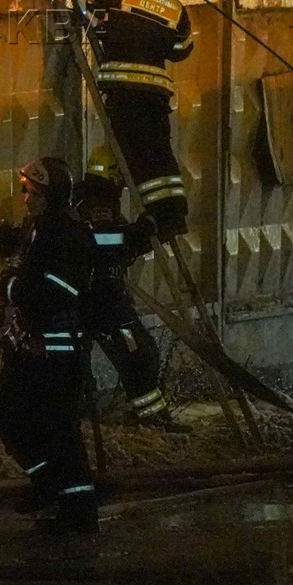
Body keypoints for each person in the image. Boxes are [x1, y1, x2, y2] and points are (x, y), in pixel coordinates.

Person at [0, 157, 101, 537]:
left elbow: (59, 292)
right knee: (7, 413)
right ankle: (47, 485)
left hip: (58, 353)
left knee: (59, 431)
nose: (26, 198)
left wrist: (10, 287)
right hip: (29, 348)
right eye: (25, 190)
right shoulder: (38, 229)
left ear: (51, 195)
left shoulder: (68, 235)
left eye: (32, 192)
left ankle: (79, 511)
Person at [84, 0, 194, 240]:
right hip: (156, 96)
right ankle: (172, 215)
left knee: (135, 155)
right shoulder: (176, 9)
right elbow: (182, 50)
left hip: (124, 92)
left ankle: (154, 220)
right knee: (157, 153)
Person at [73, 146, 184, 431]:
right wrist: (140, 231)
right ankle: (150, 420)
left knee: (82, 367)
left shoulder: (86, 199)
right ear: (114, 174)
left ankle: (82, 422)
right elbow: (105, 243)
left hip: (91, 299)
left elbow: (119, 245)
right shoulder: (98, 204)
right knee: (139, 355)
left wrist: (143, 236)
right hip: (104, 302)